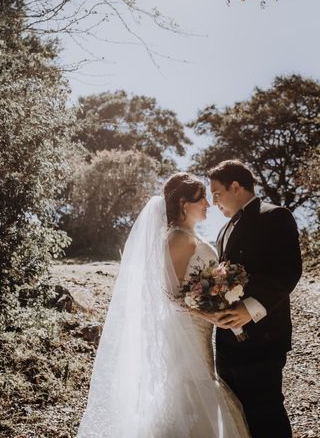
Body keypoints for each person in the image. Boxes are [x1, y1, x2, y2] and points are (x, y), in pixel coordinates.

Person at [77, 172, 249, 438]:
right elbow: (169, 296)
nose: (207, 203)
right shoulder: (179, 238)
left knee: (196, 390)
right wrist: (209, 313)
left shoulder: (186, 236)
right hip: (186, 333)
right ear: (183, 203)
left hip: (198, 330)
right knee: (188, 394)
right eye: (201, 198)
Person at [205, 160, 303, 438]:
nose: (214, 202)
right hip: (226, 344)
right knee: (236, 418)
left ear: (235, 187)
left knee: (265, 415)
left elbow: (288, 272)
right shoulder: (223, 231)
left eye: (216, 193)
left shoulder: (275, 216)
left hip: (264, 339)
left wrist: (250, 310)